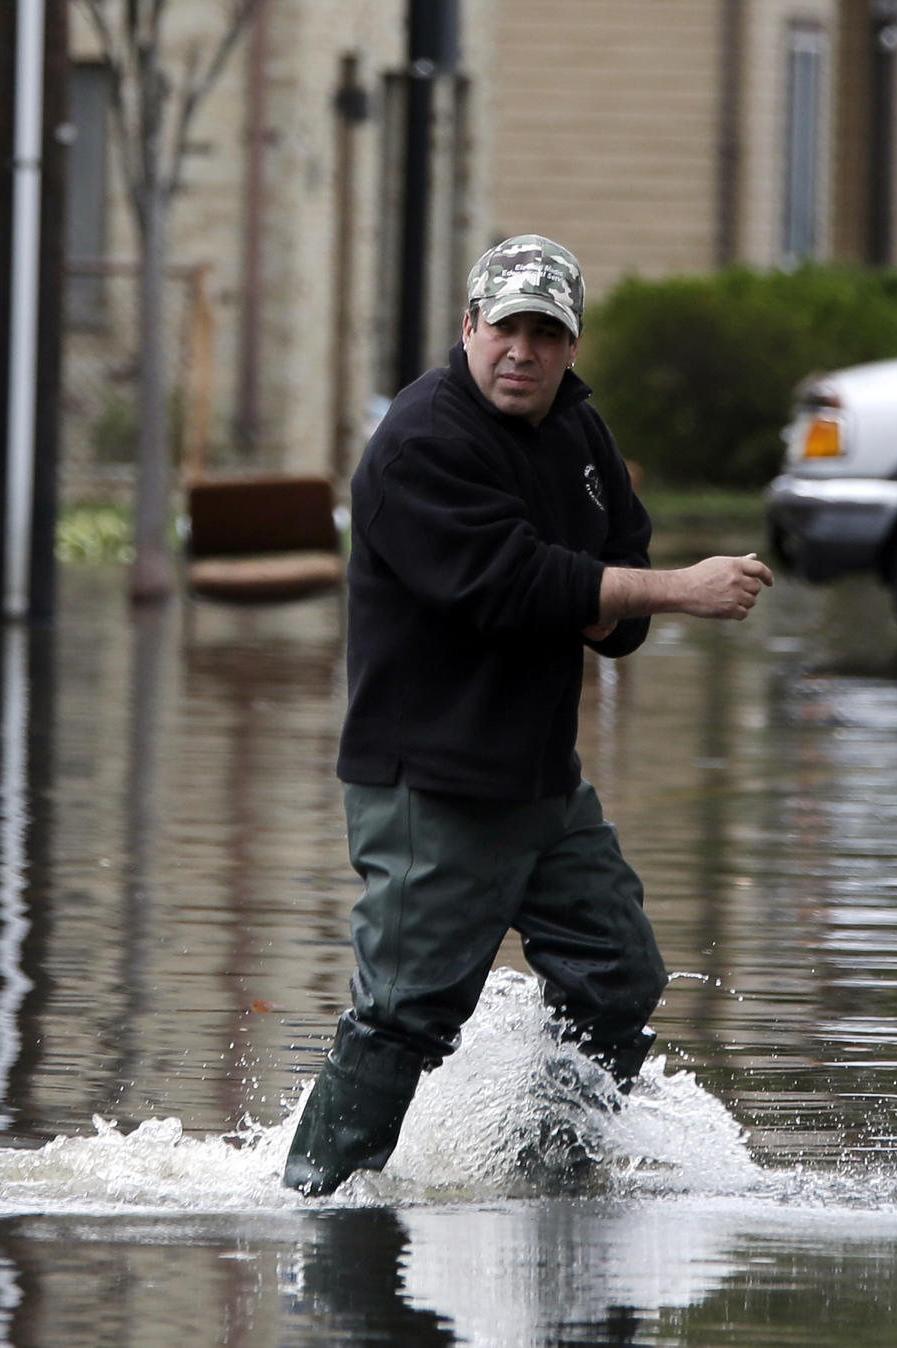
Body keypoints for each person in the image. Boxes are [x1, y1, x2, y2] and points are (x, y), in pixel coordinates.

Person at [282, 235, 774, 1197]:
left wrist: (615, 601)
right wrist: (674, 589)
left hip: (542, 784)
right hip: (432, 786)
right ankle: (317, 1204)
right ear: (469, 327)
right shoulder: (424, 440)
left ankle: (545, 1172)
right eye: (506, 325)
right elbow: (507, 584)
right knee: (407, 1014)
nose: (523, 349)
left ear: (571, 346)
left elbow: (604, 593)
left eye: (546, 332)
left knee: (617, 976)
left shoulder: (580, 436)